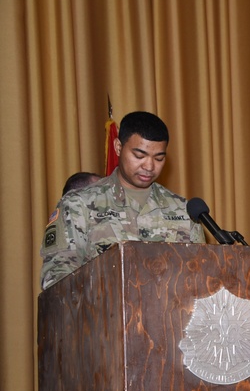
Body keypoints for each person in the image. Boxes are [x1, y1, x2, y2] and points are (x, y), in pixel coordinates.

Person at [40, 111, 205, 290]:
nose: (149, 166)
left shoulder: (183, 210)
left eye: (159, 158)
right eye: (139, 156)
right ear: (118, 147)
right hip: (104, 314)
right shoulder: (79, 205)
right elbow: (57, 280)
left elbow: (201, 277)